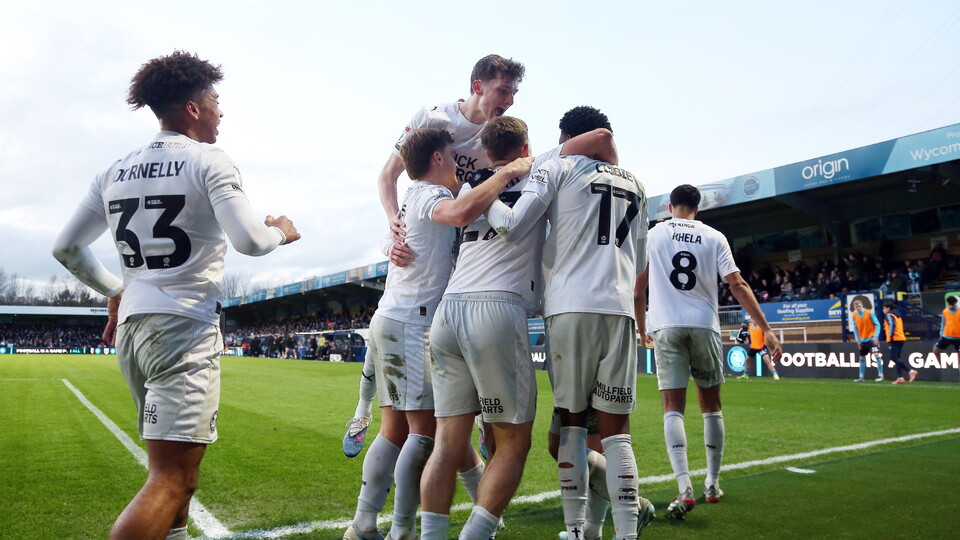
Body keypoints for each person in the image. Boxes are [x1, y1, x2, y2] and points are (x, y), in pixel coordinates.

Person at [51, 51, 300, 540]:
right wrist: (283, 233)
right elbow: (250, 241)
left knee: (178, 479)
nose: (220, 110)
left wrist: (119, 289)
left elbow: (66, 248)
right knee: (171, 478)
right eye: (215, 99)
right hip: (183, 328)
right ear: (192, 107)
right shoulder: (208, 160)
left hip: (135, 330)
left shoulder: (114, 171)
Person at [418, 115, 617, 540]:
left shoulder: (474, 187)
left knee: (448, 444)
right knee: (512, 444)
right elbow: (597, 139)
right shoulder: (541, 168)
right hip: (497, 307)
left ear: (487, 153)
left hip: (448, 313)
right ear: (526, 147)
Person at [342, 128, 534, 540]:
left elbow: (401, 234)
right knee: (425, 432)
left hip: (396, 316)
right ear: (436, 159)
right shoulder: (431, 194)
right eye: (451, 156)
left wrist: (385, 244)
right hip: (413, 320)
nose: (457, 163)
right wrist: (506, 174)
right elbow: (459, 214)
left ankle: (365, 522)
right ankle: (401, 529)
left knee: (400, 429)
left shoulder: (410, 197)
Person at [343, 54, 525, 460]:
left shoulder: (498, 136)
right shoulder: (433, 117)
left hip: (461, 253)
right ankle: (363, 409)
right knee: (416, 416)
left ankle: (473, 430)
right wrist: (394, 224)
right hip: (430, 232)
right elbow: (387, 174)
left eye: (514, 92)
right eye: (502, 90)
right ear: (477, 85)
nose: (509, 100)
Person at [486, 130, 654, 540]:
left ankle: (576, 530)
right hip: (618, 309)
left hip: (570, 307)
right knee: (616, 433)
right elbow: (642, 263)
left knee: (573, 426)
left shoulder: (558, 167)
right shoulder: (636, 182)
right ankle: (626, 533)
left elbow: (513, 223)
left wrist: (481, 192)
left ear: (567, 138)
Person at [638, 184, 782, 520]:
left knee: (672, 407)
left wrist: (641, 329)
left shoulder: (654, 234)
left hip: (666, 326)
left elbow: (638, 287)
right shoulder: (714, 236)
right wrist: (767, 329)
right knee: (711, 405)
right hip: (705, 326)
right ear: (697, 209)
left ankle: (684, 487)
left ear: (670, 206)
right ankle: (713, 483)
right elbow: (738, 284)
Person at [849, 295, 883, 382]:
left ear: (862, 306)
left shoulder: (869, 313)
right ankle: (861, 377)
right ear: (854, 307)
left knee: (876, 355)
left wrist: (876, 336)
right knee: (862, 357)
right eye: (856, 307)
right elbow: (855, 328)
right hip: (862, 339)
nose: (858, 308)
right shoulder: (854, 315)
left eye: (859, 306)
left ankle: (881, 375)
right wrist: (857, 340)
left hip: (872, 338)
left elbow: (877, 324)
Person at [882, 301, 917, 384]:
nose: (883, 310)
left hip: (895, 338)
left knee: (894, 358)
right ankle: (900, 377)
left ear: (888, 308)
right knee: (897, 358)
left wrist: (890, 337)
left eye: (884, 308)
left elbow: (892, 325)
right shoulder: (897, 315)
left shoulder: (889, 315)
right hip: (900, 337)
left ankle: (910, 371)